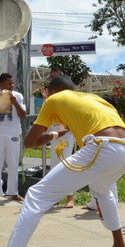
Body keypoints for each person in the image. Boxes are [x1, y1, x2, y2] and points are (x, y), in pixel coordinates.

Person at [0, 75, 125, 247]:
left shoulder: (53, 100)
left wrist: (54, 134)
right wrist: (60, 133)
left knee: (36, 195)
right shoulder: (94, 99)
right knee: (103, 190)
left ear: (52, 92)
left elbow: (30, 142)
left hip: (103, 147)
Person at [0, 73, 26, 202]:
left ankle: (13, 192)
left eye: (12, 83)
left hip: (13, 134)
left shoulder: (18, 96)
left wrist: (15, 103)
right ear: (1, 84)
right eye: (9, 83)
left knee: (13, 164)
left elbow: (23, 115)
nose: (12, 86)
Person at [45, 68, 75, 208]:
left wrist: (66, 128)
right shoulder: (51, 96)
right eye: (51, 77)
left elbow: (75, 116)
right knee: (54, 165)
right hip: (55, 133)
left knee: (66, 163)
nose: (53, 79)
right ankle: (54, 197)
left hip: (67, 133)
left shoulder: (70, 95)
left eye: (56, 76)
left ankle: (70, 197)